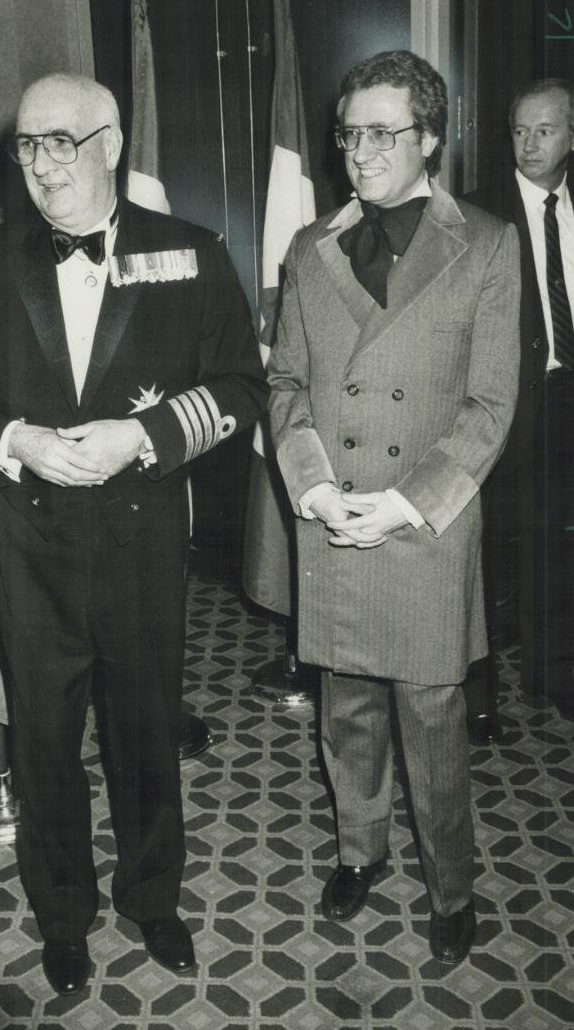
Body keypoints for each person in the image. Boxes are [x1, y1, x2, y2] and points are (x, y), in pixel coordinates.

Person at [0, 73, 267, 996]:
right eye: (27, 146)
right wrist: (12, 439)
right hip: (28, 548)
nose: (41, 165)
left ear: (112, 143)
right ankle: (61, 911)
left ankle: (154, 896)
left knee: (146, 728)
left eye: (61, 141)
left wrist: (144, 437)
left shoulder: (189, 252)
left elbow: (241, 386)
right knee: (43, 737)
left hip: (144, 541)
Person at [268, 50, 520, 964]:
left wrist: (408, 505)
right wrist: (313, 485)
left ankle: (452, 885)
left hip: (426, 525)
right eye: (349, 133)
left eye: (382, 133)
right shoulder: (310, 247)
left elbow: (491, 405)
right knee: (347, 708)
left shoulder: (487, 244)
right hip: (334, 513)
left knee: (433, 716)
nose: (359, 152)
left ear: (431, 139)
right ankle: (359, 851)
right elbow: (286, 383)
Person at [465, 79, 574, 733]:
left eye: (546, 131)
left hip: (566, 405)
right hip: (503, 408)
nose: (530, 145)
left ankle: (553, 674)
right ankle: (476, 695)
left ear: (571, 136)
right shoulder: (479, 214)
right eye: (520, 131)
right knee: (480, 554)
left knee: (558, 549)